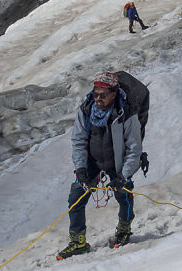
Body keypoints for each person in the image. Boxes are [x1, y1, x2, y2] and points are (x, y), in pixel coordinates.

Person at [57, 71, 143, 259]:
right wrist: (80, 169)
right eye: (95, 93)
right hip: (93, 163)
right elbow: (78, 140)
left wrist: (124, 175)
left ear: (114, 94)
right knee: (76, 197)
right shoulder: (86, 110)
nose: (97, 98)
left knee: (124, 194)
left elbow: (134, 148)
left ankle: (124, 230)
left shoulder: (126, 113)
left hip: (117, 164)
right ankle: (78, 241)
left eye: (102, 95)